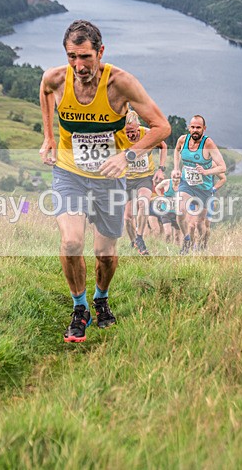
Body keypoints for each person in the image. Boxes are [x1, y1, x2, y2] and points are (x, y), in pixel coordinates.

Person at [39, 19, 170, 343]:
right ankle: (79, 308)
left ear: (101, 51)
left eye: (85, 57)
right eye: (72, 56)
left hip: (109, 179)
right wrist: (49, 138)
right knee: (71, 242)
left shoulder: (121, 84)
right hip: (69, 172)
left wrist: (126, 156)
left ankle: (101, 298)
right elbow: (44, 93)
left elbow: (162, 127)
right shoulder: (55, 79)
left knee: (105, 253)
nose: (79, 65)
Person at [173, 115, 226, 254]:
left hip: (204, 189)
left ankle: (202, 247)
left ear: (204, 129)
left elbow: (222, 167)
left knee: (200, 224)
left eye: (198, 127)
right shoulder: (182, 140)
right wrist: (176, 168)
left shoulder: (208, 144)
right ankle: (186, 240)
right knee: (179, 212)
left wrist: (206, 171)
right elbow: (176, 150)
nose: (195, 130)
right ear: (189, 128)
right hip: (187, 184)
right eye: (193, 127)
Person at [123, 107, 167, 255]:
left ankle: (140, 238)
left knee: (143, 202)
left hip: (144, 177)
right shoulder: (119, 136)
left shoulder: (147, 133)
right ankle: (133, 242)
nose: (130, 135)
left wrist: (161, 169)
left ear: (137, 127)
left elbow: (163, 146)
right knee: (127, 218)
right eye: (127, 132)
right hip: (127, 179)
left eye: (132, 131)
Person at [153, 169, 183, 245]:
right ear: (171, 176)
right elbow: (157, 188)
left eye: (178, 178)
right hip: (165, 211)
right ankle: (167, 248)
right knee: (168, 233)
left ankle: (175, 252)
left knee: (177, 236)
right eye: (174, 177)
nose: (176, 180)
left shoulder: (183, 185)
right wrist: (161, 196)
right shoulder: (166, 182)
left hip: (177, 212)